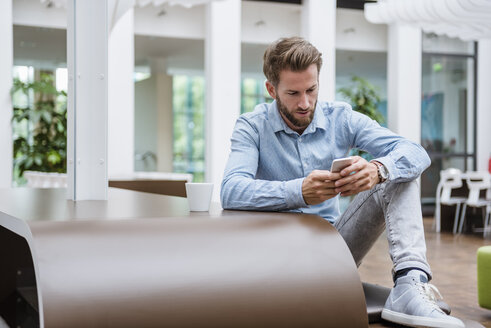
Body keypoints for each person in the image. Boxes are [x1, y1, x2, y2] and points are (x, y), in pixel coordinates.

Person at [220, 37, 464, 328]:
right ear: (271, 89)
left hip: (335, 248)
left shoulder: (342, 118)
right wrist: (299, 191)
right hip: (278, 257)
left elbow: (414, 152)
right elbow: (231, 190)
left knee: (398, 171)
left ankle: (410, 283)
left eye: (311, 90)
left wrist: (377, 169)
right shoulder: (251, 126)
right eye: (293, 93)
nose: (305, 103)